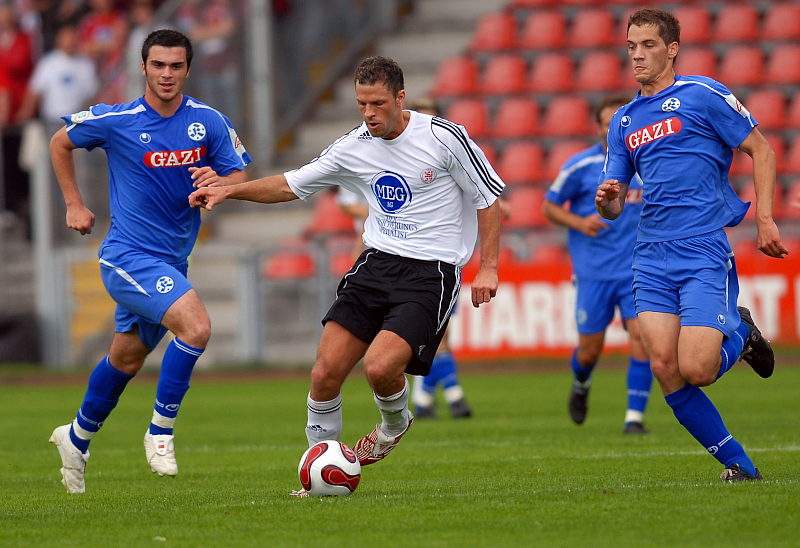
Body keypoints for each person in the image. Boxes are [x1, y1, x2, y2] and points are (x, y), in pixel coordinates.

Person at [189, 56, 503, 493]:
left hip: (431, 274)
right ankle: (319, 474)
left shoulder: (443, 138)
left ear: (400, 97)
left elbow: (488, 199)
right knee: (324, 374)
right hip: (376, 263)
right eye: (361, 104)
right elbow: (290, 184)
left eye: (377, 104)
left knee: (379, 368)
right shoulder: (354, 144)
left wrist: (488, 267)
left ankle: (394, 424)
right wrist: (230, 189)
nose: (369, 114)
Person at [48, 29, 251, 494]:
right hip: (127, 257)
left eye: (175, 66)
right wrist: (73, 204)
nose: (166, 74)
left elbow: (238, 172)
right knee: (197, 328)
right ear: (143, 67)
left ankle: (76, 439)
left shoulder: (208, 121)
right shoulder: (117, 118)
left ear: (187, 70)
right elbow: (60, 141)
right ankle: (160, 432)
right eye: (158, 65)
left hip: (172, 264)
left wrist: (218, 181)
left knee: (127, 357)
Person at [596, 8, 788, 482]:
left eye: (648, 45)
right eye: (631, 46)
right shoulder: (623, 120)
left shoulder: (703, 95)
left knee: (698, 368)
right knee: (665, 366)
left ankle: (741, 334)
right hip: (650, 254)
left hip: (701, 248)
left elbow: (761, 150)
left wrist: (764, 218)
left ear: (672, 49)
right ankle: (740, 467)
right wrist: (608, 201)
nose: (638, 55)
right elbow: (613, 206)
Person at [543, 94, 653, 434]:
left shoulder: (649, 162)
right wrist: (579, 223)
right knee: (589, 352)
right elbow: (550, 206)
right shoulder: (580, 166)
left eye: (620, 121)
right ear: (599, 127)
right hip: (594, 273)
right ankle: (581, 382)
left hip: (638, 271)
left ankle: (634, 418)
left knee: (643, 339)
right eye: (607, 122)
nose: (614, 128)